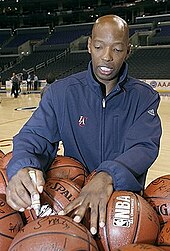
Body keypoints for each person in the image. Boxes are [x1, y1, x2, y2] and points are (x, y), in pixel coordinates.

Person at [6, 15, 162, 235]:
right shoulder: (61, 93)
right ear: (89, 45)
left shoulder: (144, 97)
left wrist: (107, 175)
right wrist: (23, 166)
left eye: (117, 49)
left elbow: (143, 146)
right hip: (70, 202)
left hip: (122, 208)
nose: (106, 57)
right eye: (99, 46)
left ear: (128, 50)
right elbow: (35, 136)